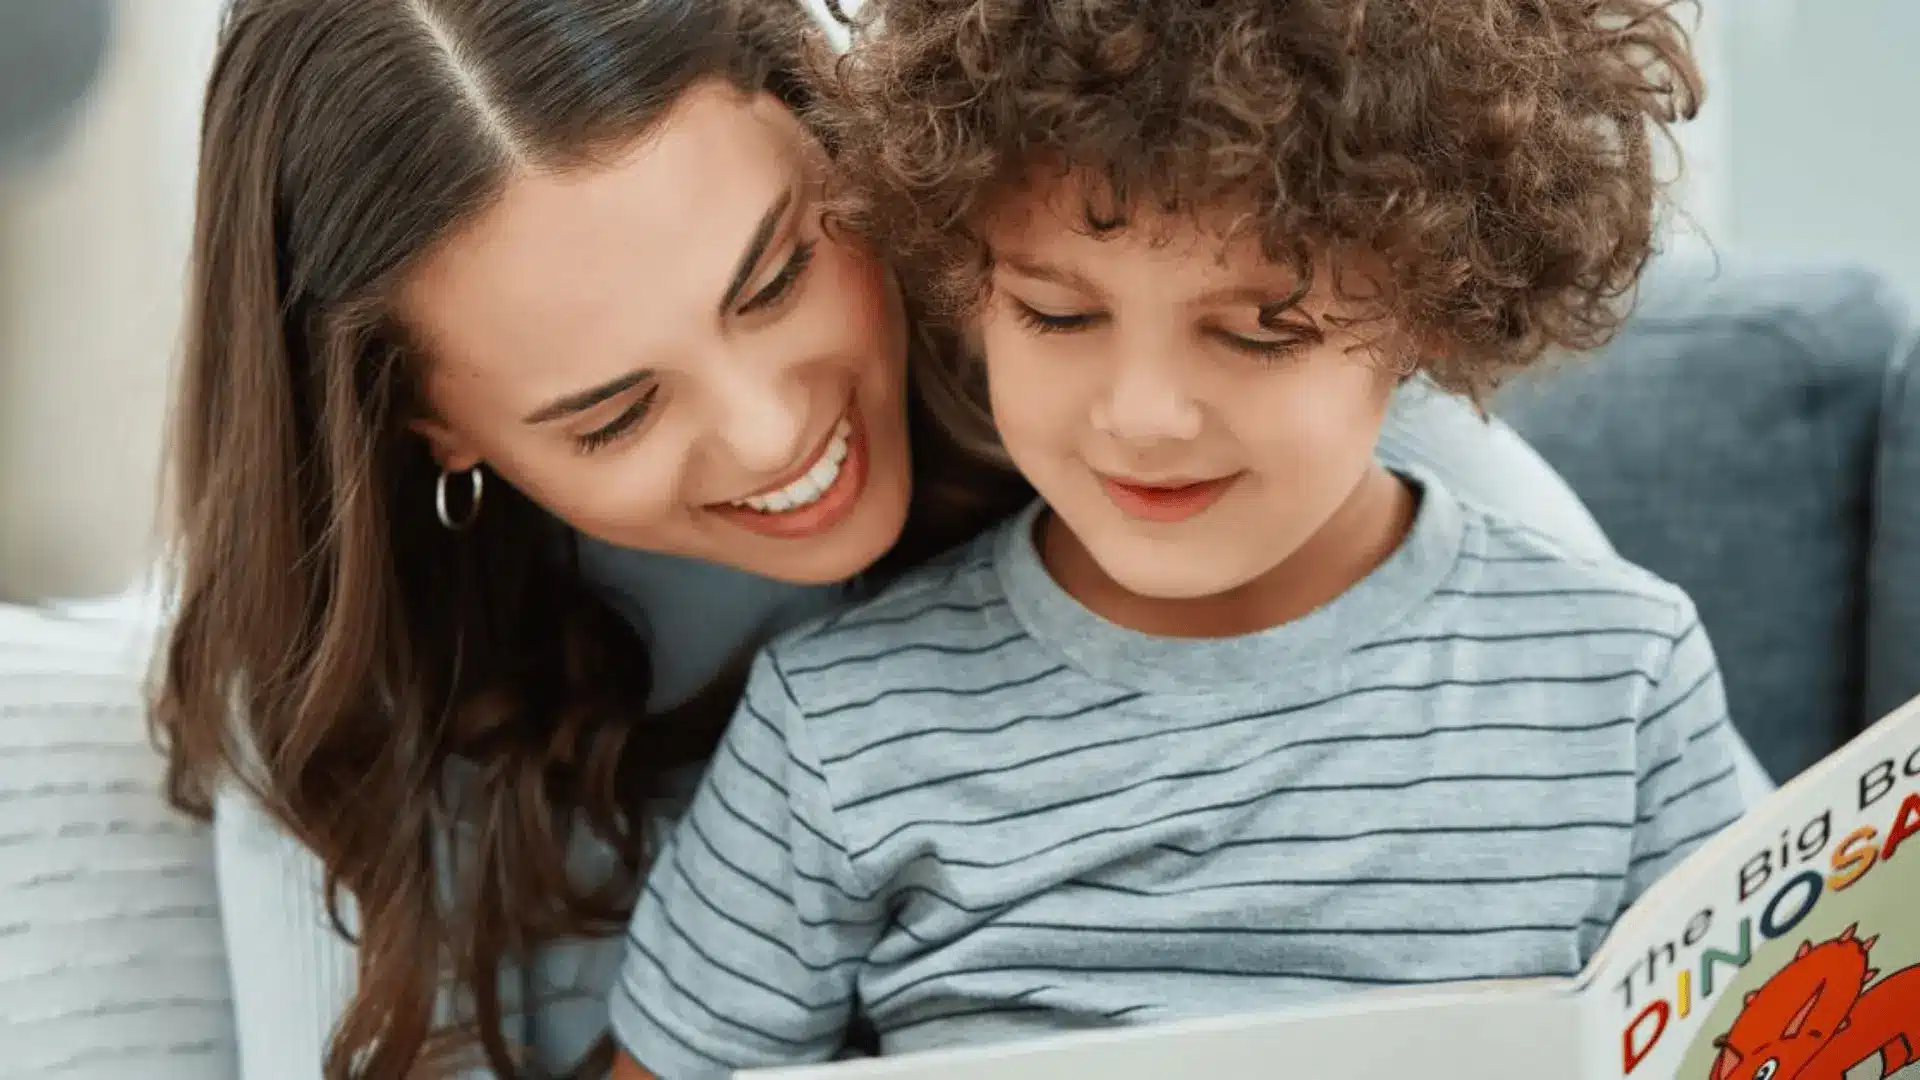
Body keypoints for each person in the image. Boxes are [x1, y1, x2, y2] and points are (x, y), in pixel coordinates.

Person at [155, 0, 1737, 1078]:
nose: (771, 436)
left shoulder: (1457, 536)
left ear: (845, 147)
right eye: (611, 413)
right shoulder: (807, 728)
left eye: (779, 277)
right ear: (430, 430)